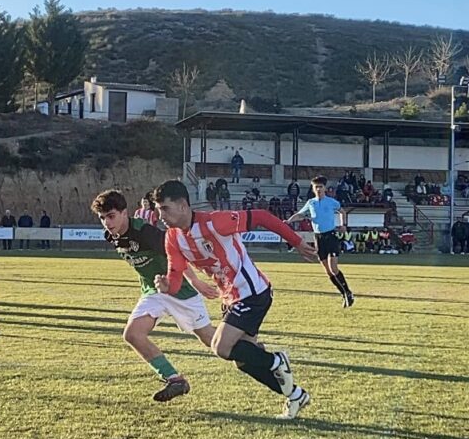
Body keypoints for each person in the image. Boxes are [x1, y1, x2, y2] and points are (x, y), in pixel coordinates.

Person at [152, 179, 319, 420]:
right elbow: (175, 277)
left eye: (164, 209)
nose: (160, 216)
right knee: (243, 360)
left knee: (220, 347)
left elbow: (261, 216)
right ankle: (295, 395)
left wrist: (297, 242)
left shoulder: (215, 222)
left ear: (182, 205)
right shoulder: (172, 239)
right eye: (158, 210)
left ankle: (276, 360)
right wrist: (168, 286)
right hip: (230, 298)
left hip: (253, 292)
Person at [94, 189, 219, 402]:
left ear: (125, 213)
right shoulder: (111, 236)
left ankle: (251, 346)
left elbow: (175, 253)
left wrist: (195, 281)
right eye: (102, 218)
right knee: (132, 334)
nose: (107, 222)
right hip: (153, 291)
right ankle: (175, 379)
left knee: (212, 341)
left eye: (111, 216)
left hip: (180, 291)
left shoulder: (145, 233)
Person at [286, 175, 354, 307]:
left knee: (334, 268)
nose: (318, 189)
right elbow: (301, 214)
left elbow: (342, 212)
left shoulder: (331, 202)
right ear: (313, 188)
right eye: (316, 187)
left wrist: (343, 225)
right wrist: (289, 221)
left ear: (325, 188)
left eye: (320, 187)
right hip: (318, 237)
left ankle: (347, 292)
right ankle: (344, 294)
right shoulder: (311, 203)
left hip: (331, 236)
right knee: (328, 271)